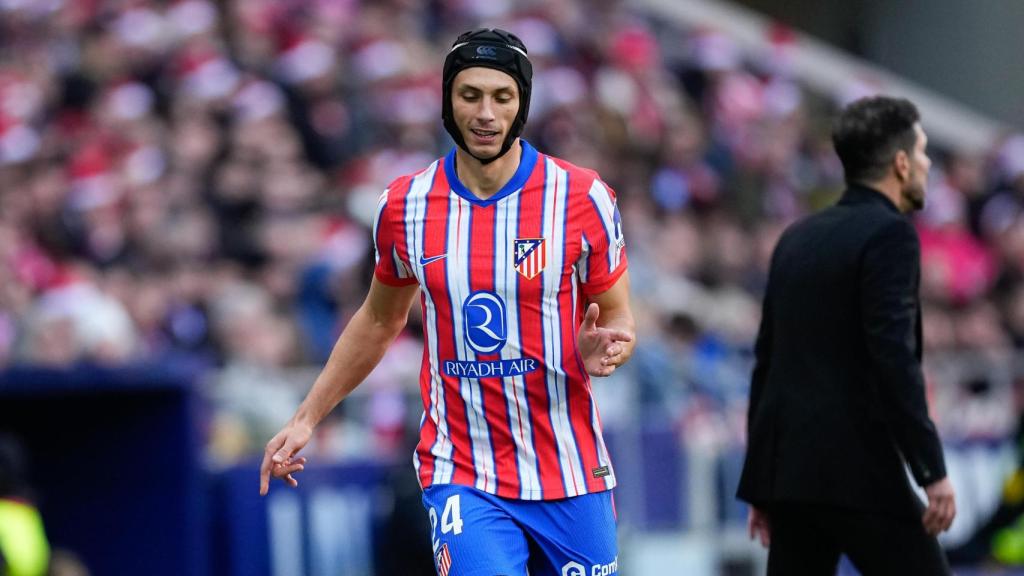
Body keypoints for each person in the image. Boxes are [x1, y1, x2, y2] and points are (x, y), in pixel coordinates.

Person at [259, 28, 635, 576]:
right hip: (463, 468)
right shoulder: (405, 205)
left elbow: (618, 314)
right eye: (470, 95)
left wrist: (610, 347)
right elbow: (379, 319)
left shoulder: (581, 198)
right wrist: (307, 416)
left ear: (522, 105)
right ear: (447, 101)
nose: (485, 112)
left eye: (501, 97)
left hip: (568, 466)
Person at [736, 96, 956, 575]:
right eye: (921, 151)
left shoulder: (797, 236)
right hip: (858, 471)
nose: (927, 162)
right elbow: (893, 357)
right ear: (900, 164)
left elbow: (768, 361)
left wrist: (762, 483)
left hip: (791, 476)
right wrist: (931, 470)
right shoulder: (890, 235)